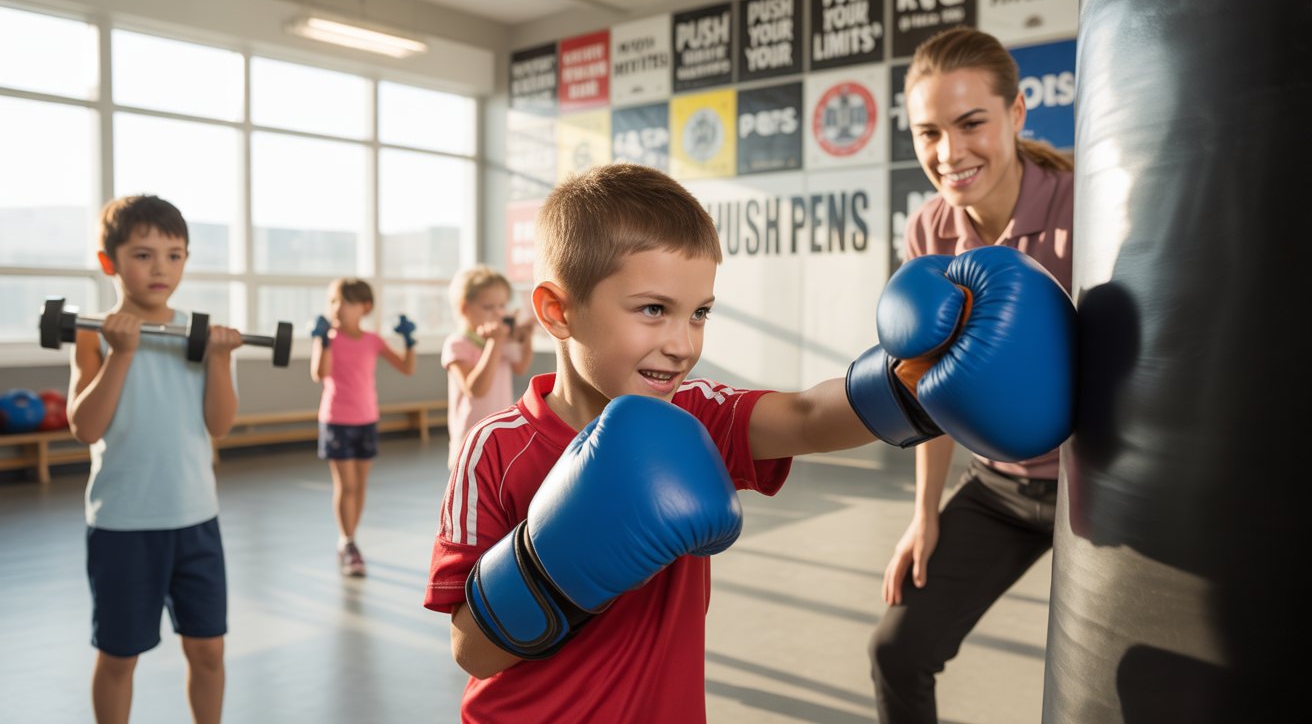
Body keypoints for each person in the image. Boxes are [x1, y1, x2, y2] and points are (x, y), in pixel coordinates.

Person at [421, 162, 1071, 723]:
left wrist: (928, 375)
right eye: (653, 309)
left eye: (699, 312)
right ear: (558, 310)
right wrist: (553, 568)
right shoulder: (495, 448)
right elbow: (470, 648)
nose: (683, 343)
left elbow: (811, 415)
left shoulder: (694, 414)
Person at [868, 26, 1075, 724]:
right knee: (898, 646)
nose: (949, 154)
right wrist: (923, 514)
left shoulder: (1085, 205)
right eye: (928, 132)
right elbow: (934, 388)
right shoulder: (929, 229)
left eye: (971, 123)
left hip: (1100, 486)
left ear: (1016, 114)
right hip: (1001, 487)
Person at [67, 194, 242, 724]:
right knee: (119, 656)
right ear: (109, 262)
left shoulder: (199, 332)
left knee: (209, 652)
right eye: (143, 255)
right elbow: (84, 426)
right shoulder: (93, 334)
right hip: (124, 524)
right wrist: (122, 353)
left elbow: (219, 425)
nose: (161, 267)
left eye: (174, 254)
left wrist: (217, 361)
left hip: (195, 520)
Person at [310, 278, 417, 576]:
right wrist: (324, 342)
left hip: (367, 419)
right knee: (346, 486)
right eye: (332, 301)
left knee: (360, 486)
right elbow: (320, 373)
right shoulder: (327, 337)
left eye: (343, 302)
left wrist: (409, 341)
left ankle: (350, 540)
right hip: (336, 421)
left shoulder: (373, 340)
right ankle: (348, 541)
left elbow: (407, 368)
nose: (336, 308)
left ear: (364, 307)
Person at [441, 264, 534, 470]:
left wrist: (526, 339)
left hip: (500, 434)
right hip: (470, 440)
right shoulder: (458, 343)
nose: (497, 313)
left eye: (502, 306)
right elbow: (476, 389)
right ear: (465, 308)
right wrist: (495, 343)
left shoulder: (500, 340)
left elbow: (521, 367)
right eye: (488, 307)